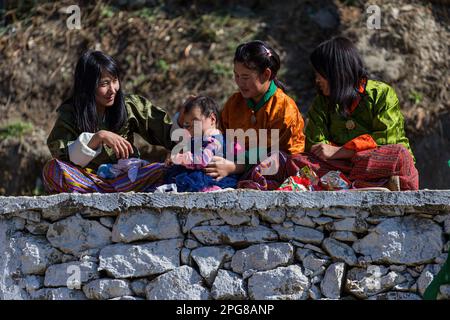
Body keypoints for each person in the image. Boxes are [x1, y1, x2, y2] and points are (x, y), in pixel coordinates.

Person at [287, 36, 419, 191]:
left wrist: (339, 151)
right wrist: (334, 154)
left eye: (319, 74)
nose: (316, 80)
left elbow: (385, 140)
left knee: (399, 155)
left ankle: (349, 185)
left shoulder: (381, 94)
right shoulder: (321, 102)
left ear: (335, 72)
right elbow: (315, 145)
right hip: (339, 168)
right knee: (296, 161)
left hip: (375, 165)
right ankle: (364, 186)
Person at [42, 50, 174, 193]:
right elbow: (60, 154)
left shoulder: (130, 105)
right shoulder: (71, 113)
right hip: (90, 182)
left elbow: (169, 132)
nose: (113, 90)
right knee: (53, 169)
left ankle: (107, 194)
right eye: (104, 83)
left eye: (115, 80)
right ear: (88, 86)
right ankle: (101, 195)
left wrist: (192, 118)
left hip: (129, 179)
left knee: (165, 169)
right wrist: (98, 137)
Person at [203, 40, 306, 190]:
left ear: (266, 74)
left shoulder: (284, 108)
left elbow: (272, 153)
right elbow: (220, 135)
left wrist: (233, 167)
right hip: (233, 164)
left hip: (273, 169)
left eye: (245, 77)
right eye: (236, 76)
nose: (239, 82)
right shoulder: (234, 103)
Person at [165, 96, 241, 192]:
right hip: (198, 174)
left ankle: (211, 190)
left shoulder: (213, 140)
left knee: (189, 183)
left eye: (196, 122)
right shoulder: (199, 139)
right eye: (188, 125)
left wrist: (180, 158)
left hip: (208, 179)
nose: (192, 128)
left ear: (212, 119)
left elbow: (202, 159)